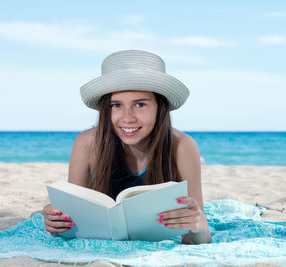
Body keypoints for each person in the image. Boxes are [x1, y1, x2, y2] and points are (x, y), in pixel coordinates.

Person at [43, 50, 211, 244]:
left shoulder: (182, 146)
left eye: (140, 105)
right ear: (105, 109)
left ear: (160, 107)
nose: (127, 118)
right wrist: (57, 223)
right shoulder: (87, 143)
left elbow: (197, 237)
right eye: (116, 105)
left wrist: (198, 226)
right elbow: (69, 221)